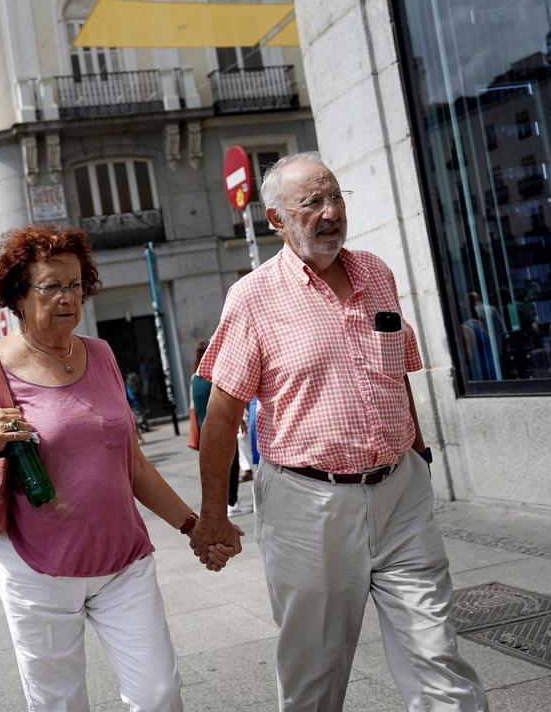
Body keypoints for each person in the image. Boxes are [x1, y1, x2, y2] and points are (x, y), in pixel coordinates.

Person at [193, 152, 487, 711]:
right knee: (315, 676)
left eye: (336, 198)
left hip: (400, 493)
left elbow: (395, 370)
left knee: (438, 657)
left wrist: (418, 449)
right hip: (309, 505)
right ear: (276, 220)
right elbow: (221, 413)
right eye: (312, 203)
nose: (330, 213)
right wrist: (212, 515)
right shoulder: (253, 297)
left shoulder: (376, 273)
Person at [0, 225, 233, 710]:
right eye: (51, 286)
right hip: (36, 569)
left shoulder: (103, 354)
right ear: (18, 297)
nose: (68, 297)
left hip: (123, 561)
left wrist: (193, 526)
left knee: (159, 693)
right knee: (59, 704)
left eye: (75, 284)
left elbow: (134, 463)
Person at [190, 340, 249, 516]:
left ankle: (226, 506)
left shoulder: (195, 378)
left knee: (215, 470)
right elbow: (224, 404)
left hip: (204, 430)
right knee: (231, 466)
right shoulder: (214, 377)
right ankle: (231, 504)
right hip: (221, 430)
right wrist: (240, 421)